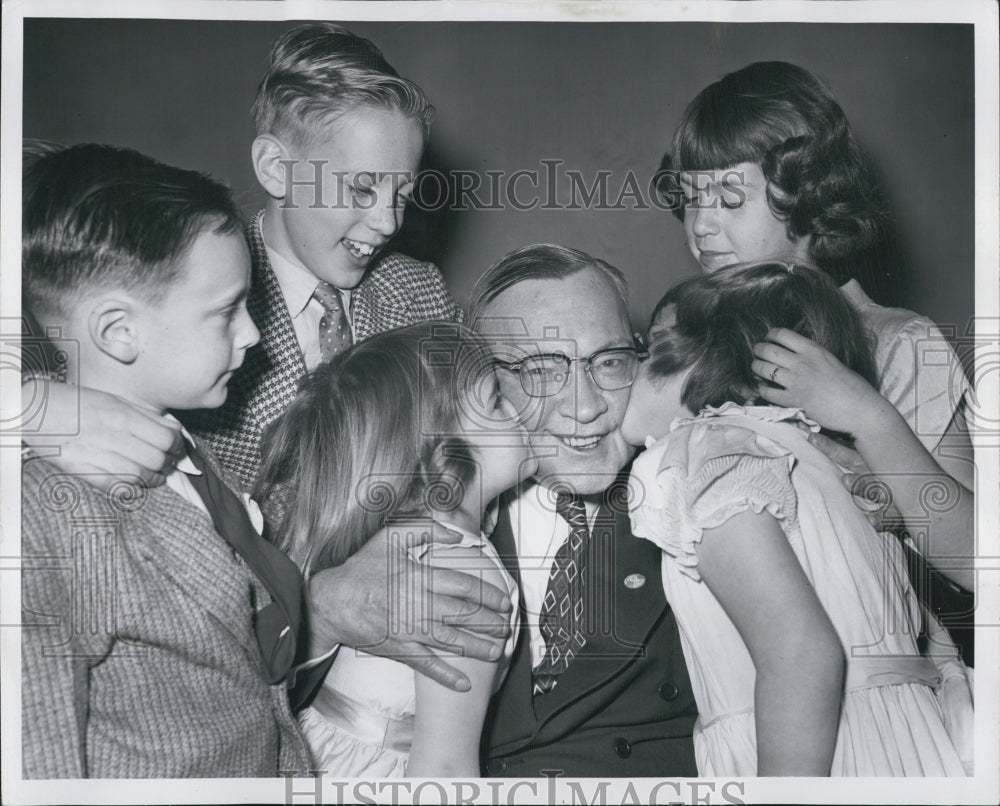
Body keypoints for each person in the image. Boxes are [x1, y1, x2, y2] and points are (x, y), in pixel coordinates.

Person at [21, 23, 505, 699]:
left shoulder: (413, 290)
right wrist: (31, 409)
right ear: (277, 168)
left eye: (403, 192)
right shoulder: (178, 306)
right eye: (363, 189)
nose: (390, 222)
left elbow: (493, 425)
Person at [20, 144, 309, 777]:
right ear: (118, 330)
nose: (254, 333)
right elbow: (39, 763)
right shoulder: (44, 517)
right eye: (226, 311)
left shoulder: (185, 447)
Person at [622, 261, 970, 777]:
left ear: (713, 356)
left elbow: (804, 658)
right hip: (913, 747)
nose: (630, 369)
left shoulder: (697, 455)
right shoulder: (843, 466)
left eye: (650, 347)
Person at [659, 61, 975, 592]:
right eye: (691, 197)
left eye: (730, 197)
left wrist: (866, 417)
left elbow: (979, 558)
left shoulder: (900, 343)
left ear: (807, 191)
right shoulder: (688, 339)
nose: (701, 224)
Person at [254, 322, 531, 777]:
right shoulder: (459, 569)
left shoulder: (386, 541)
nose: (517, 409)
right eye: (496, 401)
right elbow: (444, 769)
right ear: (441, 452)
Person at [469, 244, 698, 777]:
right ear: (482, 383)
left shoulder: (700, 492)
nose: (586, 406)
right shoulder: (435, 503)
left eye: (610, 362)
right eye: (542, 371)